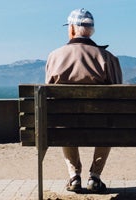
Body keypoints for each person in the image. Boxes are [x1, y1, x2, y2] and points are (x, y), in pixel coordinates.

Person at [45, 8, 122, 193]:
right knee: (108, 122)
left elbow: (48, 96)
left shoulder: (55, 56)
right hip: (100, 124)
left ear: (71, 29)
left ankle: (74, 176)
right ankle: (95, 177)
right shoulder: (107, 58)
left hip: (67, 125)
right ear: (91, 30)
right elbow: (120, 95)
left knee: (62, 120)